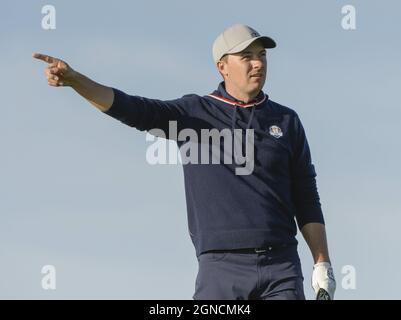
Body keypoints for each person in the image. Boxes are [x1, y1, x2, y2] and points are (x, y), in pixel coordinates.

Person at [33, 24, 336, 300]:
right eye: (246, 56)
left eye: (261, 55)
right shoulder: (195, 113)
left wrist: (322, 261)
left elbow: (306, 196)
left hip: (281, 267)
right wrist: (76, 81)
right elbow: (132, 108)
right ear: (222, 66)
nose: (257, 63)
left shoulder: (286, 120)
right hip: (220, 269)